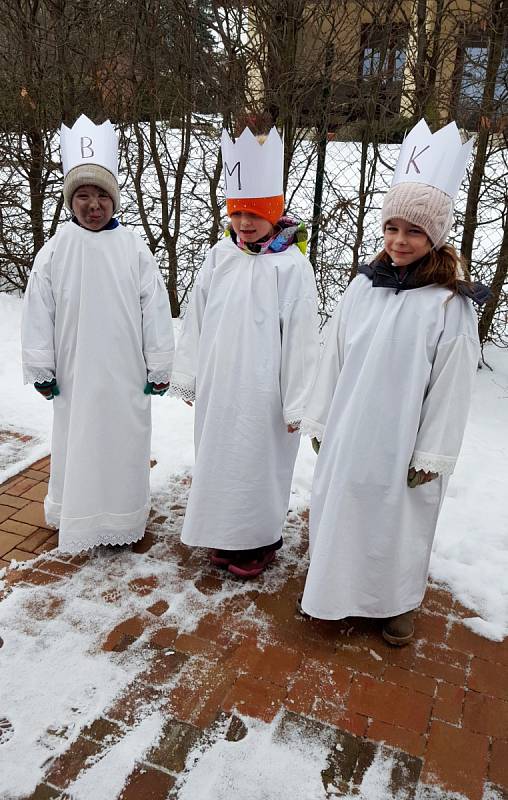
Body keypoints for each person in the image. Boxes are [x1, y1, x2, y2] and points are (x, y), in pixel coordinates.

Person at [299, 119, 489, 645]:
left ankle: (395, 602)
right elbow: (332, 355)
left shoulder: (449, 305)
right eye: (392, 228)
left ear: (436, 236)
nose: (399, 241)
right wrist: (320, 417)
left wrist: (431, 454)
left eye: (414, 231)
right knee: (343, 509)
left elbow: (452, 386)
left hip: (405, 440)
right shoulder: (363, 289)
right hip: (350, 429)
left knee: (398, 522)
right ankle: (333, 590)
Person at [170, 127, 320, 578]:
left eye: (255, 214)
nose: (245, 223)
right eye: (238, 214)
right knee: (219, 457)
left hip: (263, 391)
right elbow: (196, 317)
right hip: (219, 385)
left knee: (257, 461)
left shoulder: (292, 267)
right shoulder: (220, 257)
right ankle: (222, 532)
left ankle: (257, 540)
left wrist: (298, 402)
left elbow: (301, 337)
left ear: (275, 212)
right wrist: (191, 374)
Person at [21, 115, 174, 553]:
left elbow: (155, 309)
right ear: (71, 202)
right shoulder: (55, 252)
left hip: (125, 374)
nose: (93, 205)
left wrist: (159, 365)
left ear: (114, 199)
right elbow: (38, 311)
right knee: (78, 440)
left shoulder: (134, 250)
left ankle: (122, 515)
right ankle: (77, 510)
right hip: (75, 374)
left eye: (101, 195)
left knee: (123, 442)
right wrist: (41, 368)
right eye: (83, 196)